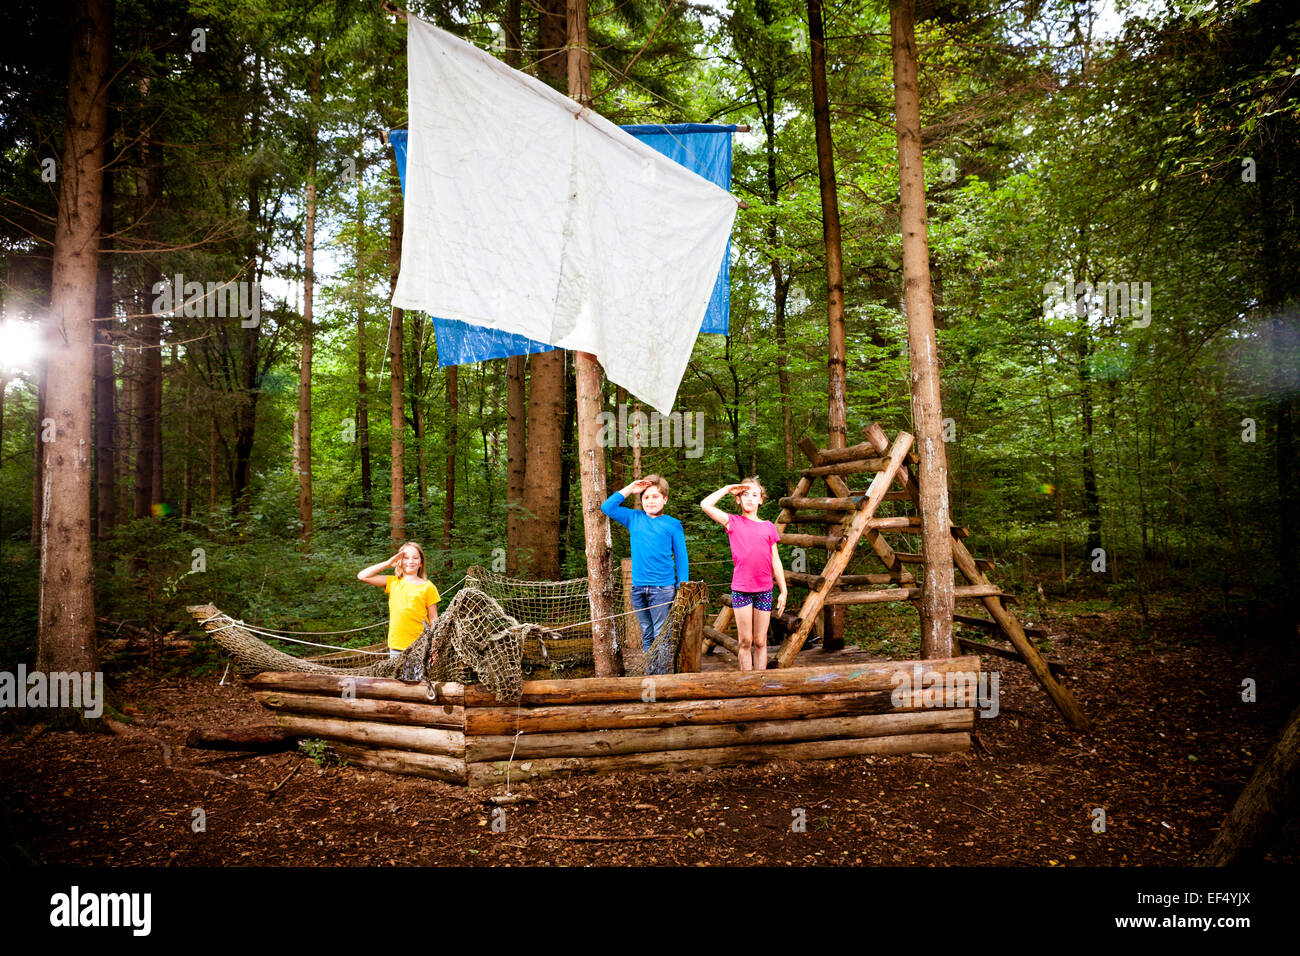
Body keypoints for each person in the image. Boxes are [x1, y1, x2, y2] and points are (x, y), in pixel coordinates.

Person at [602, 475, 689, 674]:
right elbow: (607, 507)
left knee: (661, 633)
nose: (650, 501)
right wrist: (631, 488)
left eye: (655, 496)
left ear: (665, 499)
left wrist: (682, 585)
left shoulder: (673, 524)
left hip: (662, 588)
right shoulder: (634, 518)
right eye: (646, 497)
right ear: (641, 500)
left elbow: (681, 556)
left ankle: (663, 675)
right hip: (638, 587)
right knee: (647, 633)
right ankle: (652, 671)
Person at [700, 478, 787, 671]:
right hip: (742, 589)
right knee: (745, 641)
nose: (749, 498)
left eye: (754, 494)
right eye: (744, 494)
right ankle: (747, 682)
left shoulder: (768, 527)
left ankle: (761, 683)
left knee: (760, 641)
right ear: (738, 499)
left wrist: (783, 590)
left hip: (764, 589)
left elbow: (776, 560)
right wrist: (727, 488)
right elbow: (705, 504)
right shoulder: (733, 522)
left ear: (761, 500)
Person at [357, 542, 440, 658]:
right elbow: (362, 576)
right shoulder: (393, 582)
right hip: (396, 647)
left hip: (420, 646)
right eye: (406, 558)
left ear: (421, 562)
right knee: (396, 677)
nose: (411, 561)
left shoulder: (428, 587)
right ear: (399, 561)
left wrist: (435, 647)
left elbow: (434, 619)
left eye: (415, 558)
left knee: (416, 677)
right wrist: (388, 563)